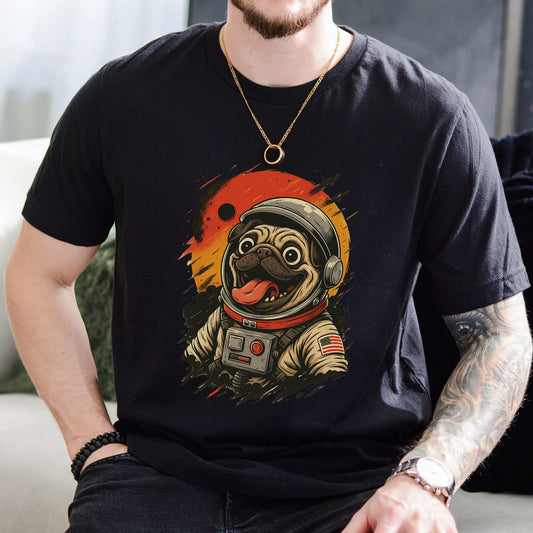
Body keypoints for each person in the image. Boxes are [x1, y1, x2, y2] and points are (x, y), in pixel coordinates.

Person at [4, 1, 532, 531]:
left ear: (327, 273)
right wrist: (92, 444)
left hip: (356, 487)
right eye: (251, 243)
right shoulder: (122, 98)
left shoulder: (431, 117)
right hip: (154, 474)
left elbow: (499, 335)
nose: (262, 258)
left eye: (290, 254)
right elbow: (38, 274)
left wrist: (427, 477)